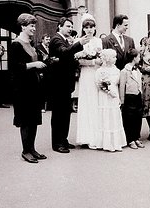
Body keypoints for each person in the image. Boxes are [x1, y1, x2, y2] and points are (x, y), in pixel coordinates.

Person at [48, 17, 91, 153]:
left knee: (65, 113)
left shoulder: (65, 40)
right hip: (58, 83)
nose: (70, 28)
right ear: (60, 27)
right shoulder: (56, 39)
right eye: (68, 26)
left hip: (66, 82)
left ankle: (64, 140)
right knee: (59, 114)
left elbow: (67, 58)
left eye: (71, 26)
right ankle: (57, 143)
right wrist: (79, 44)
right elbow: (64, 52)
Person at [10, 13, 47, 163]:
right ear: (23, 26)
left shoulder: (30, 44)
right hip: (22, 89)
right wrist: (34, 64)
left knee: (33, 119)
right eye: (31, 25)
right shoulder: (16, 44)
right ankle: (25, 151)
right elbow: (14, 68)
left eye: (34, 25)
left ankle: (32, 149)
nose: (34, 28)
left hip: (34, 87)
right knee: (26, 120)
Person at [74, 17, 103, 149]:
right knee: (87, 102)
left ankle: (96, 137)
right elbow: (77, 60)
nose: (89, 30)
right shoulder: (79, 41)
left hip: (96, 74)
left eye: (91, 27)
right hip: (85, 74)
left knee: (96, 103)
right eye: (86, 27)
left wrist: (98, 60)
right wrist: (91, 61)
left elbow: (101, 58)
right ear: (83, 29)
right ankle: (85, 137)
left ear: (95, 28)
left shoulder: (99, 41)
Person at [95, 49, 127, 152]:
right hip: (105, 96)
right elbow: (98, 84)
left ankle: (116, 142)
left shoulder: (117, 70)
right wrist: (108, 91)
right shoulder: (100, 71)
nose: (115, 59)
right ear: (107, 59)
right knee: (105, 115)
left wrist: (115, 94)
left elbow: (118, 83)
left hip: (114, 94)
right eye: (113, 57)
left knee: (114, 115)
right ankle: (106, 143)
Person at [119, 48, 145, 149]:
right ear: (134, 58)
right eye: (138, 56)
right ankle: (130, 139)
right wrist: (122, 100)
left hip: (137, 95)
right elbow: (122, 86)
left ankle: (136, 137)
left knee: (138, 117)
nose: (140, 58)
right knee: (129, 118)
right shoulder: (124, 71)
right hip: (129, 96)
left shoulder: (137, 69)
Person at [36, 34, 52, 112]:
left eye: (49, 39)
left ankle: (48, 106)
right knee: (41, 90)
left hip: (49, 71)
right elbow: (36, 60)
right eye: (47, 39)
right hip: (41, 70)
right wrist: (43, 59)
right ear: (42, 40)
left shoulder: (50, 48)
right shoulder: (38, 48)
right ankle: (41, 106)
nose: (48, 41)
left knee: (48, 88)